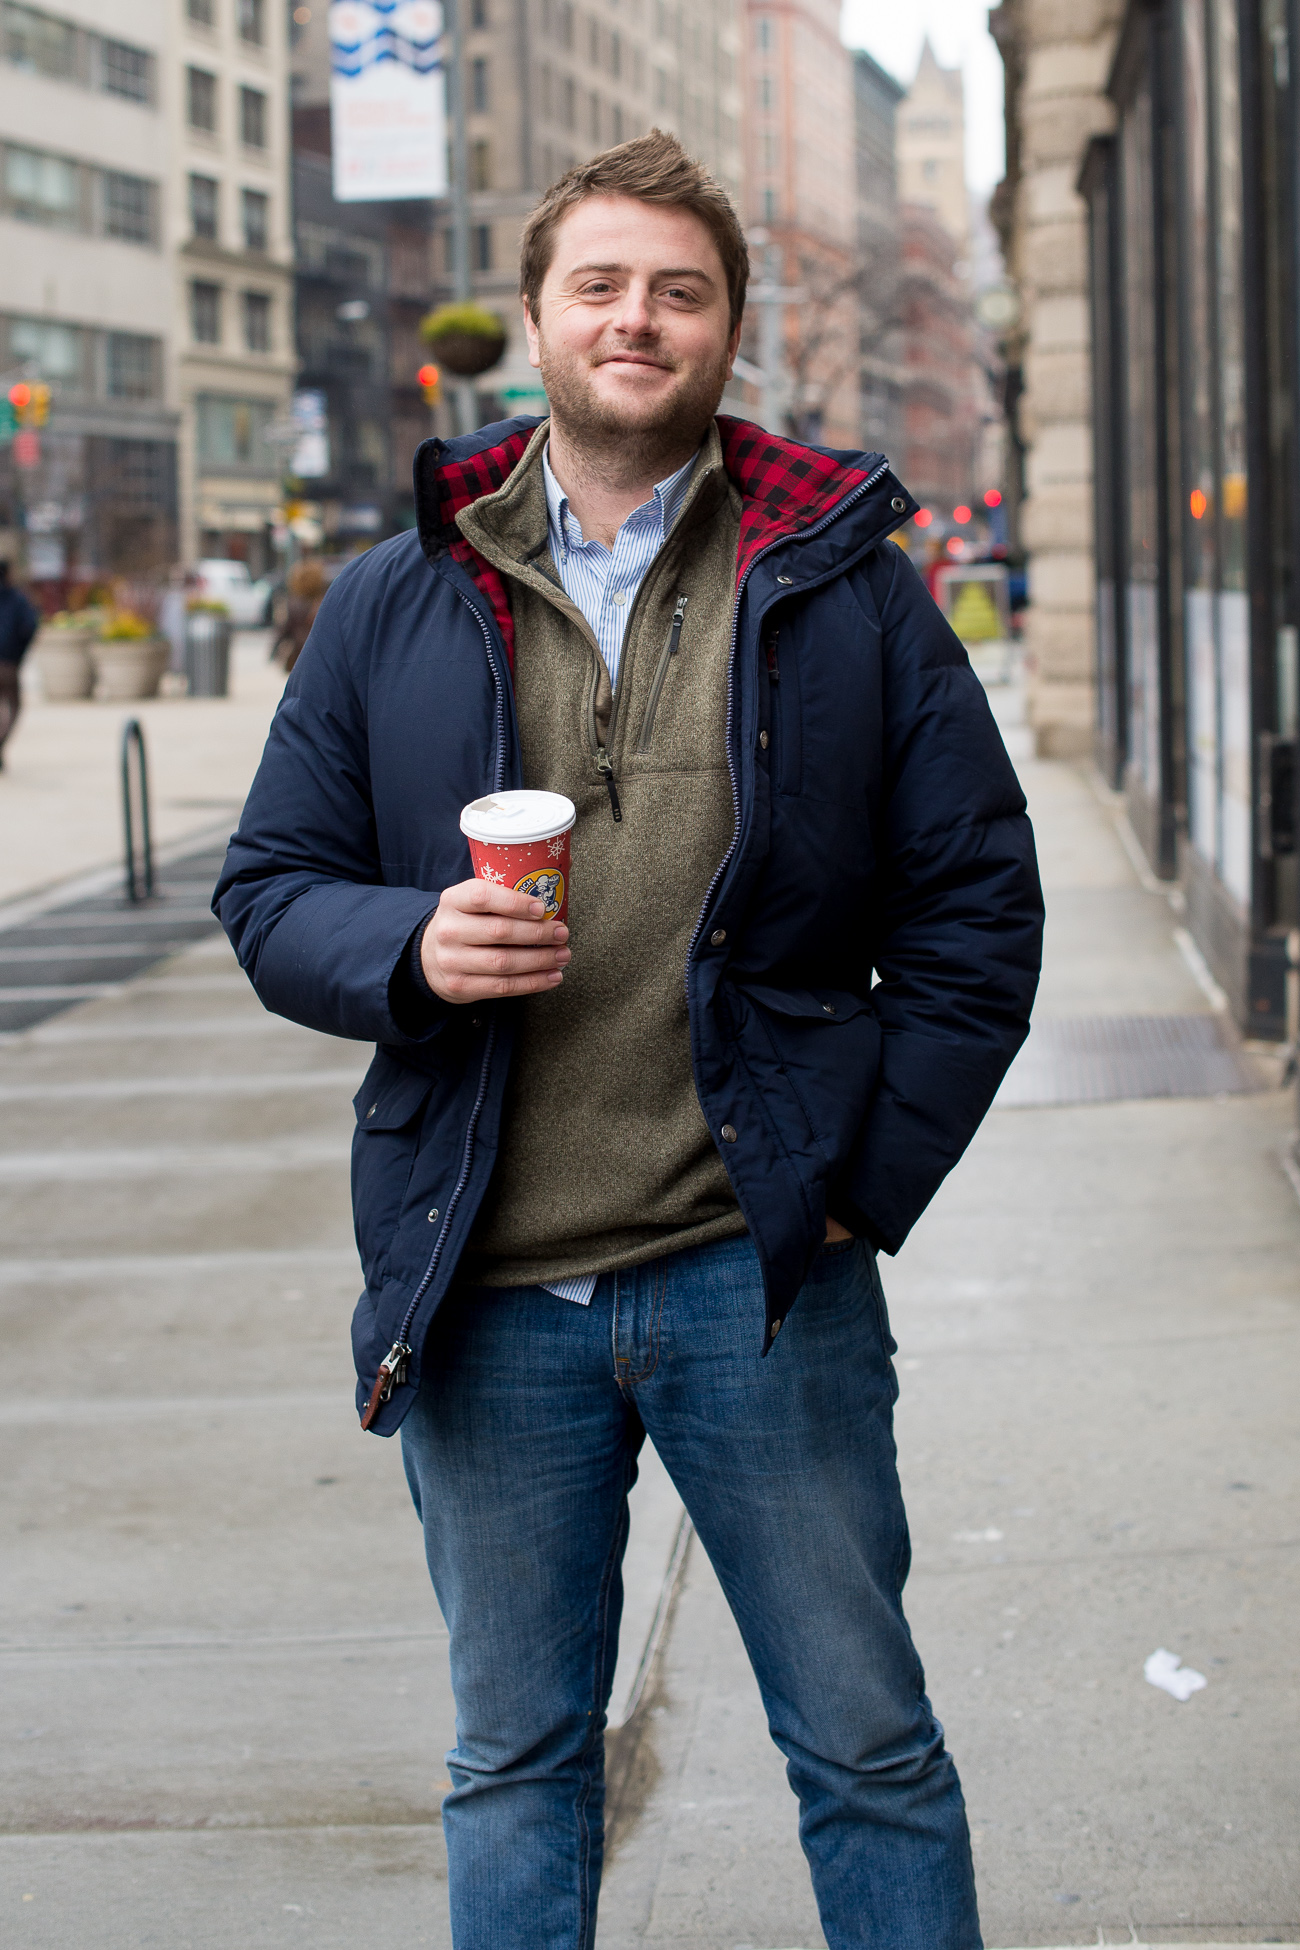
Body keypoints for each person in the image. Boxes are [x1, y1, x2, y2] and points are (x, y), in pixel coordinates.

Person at [215, 131, 1043, 1950]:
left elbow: (980, 909)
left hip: (764, 1283)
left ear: (729, 327)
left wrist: (855, 1186)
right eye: (600, 283)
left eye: (679, 288)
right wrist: (411, 945)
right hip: (490, 1290)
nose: (637, 319)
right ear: (536, 320)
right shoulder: (391, 600)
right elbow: (270, 889)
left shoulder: (841, 586)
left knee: (868, 1744)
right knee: (513, 1762)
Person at [0, 560, 40, 769]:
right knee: (14, 706)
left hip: (8, 662)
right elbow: (30, 625)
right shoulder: (16, 599)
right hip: (7, 663)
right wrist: (19, 654)